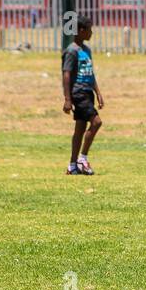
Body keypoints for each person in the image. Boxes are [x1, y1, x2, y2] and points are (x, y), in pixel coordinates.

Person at [61, 16, 104, 175]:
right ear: (81, 31)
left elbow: (90, 73)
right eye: (89, 29)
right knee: (96, 122)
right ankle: (82, 159)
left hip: (87, 92)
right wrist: (67, 99)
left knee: (79, 130)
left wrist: (98, 92)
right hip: (78, 93)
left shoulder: (87, 50)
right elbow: (66, 75)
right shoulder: (72, 50)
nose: (91, 33)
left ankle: (72, 166)